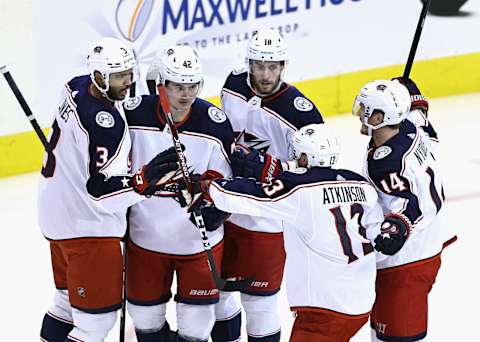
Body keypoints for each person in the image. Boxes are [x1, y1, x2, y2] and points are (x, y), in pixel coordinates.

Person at [38, 37, 180, 341]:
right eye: (119, 77)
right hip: (88, 229)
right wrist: (142, 182)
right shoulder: (106, 124)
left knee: (65, 304)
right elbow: (101, 193)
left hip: (56, 216)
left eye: (130, 72)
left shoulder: (74, 86)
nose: (128, 82)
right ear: (99, 77)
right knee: (96, 324)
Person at [186, 124, 384, 341]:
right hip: (360, 299)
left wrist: (209, 186)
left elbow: (253, 197)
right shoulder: (360, 185)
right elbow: (376, 232)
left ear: (307, 158)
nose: (294, 157)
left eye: (298, 154)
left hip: (326, 308)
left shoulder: (300, 191)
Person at [213, 28, 324, 342]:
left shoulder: (301, 114)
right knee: (218, 298)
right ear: (249, 63)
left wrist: (273, 167)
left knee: (259, 306)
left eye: (273, 66)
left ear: (283, 65)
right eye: (260, 65)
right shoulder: (233, 84)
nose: (265, 74)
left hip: (267, 220)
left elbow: (316, 170)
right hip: (226, 209)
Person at [123, 45, 235, 342]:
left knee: (196, 330)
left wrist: (218, 208)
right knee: (145, 322)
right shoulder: (132, 115)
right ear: (162, 84)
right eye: (177, 86)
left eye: (192, 86)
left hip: (198, 246)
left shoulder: (214, 123)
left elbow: (226, 181)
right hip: (145, 239)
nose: (185, 94)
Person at [352, 79, 457, 341]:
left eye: (366, 110)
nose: (360, 114)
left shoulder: (387, 162)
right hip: (427, 243)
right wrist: (409, 95)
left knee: (398, 337)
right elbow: (423, 122)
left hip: (406, 263)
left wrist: (396, 227)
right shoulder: (410, 128)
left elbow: (410, 205)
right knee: (381, 332)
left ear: (378, 117)